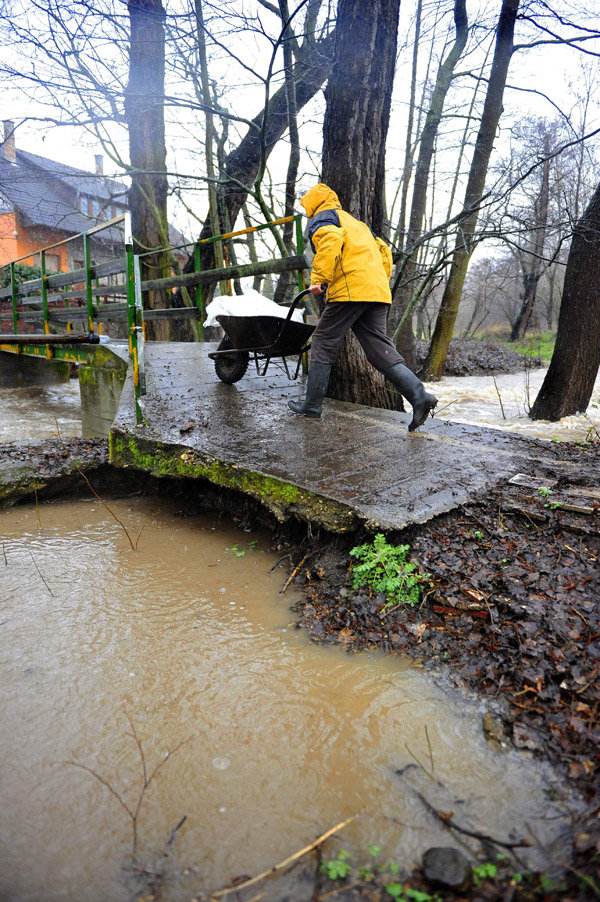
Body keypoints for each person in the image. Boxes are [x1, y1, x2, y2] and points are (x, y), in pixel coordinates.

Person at [288, 183, 438, 431]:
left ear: (314, 202)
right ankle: (419, 396)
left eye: (307, 207)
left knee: (323, 341)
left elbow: (330, 241)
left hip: (350, 290)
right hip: (376, 291)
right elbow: (384, 251)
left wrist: (320, 279)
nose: (308, 213)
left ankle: (311, 406)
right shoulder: (356, 223)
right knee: (379, 349)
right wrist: (376, 281)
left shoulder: (325, 218)